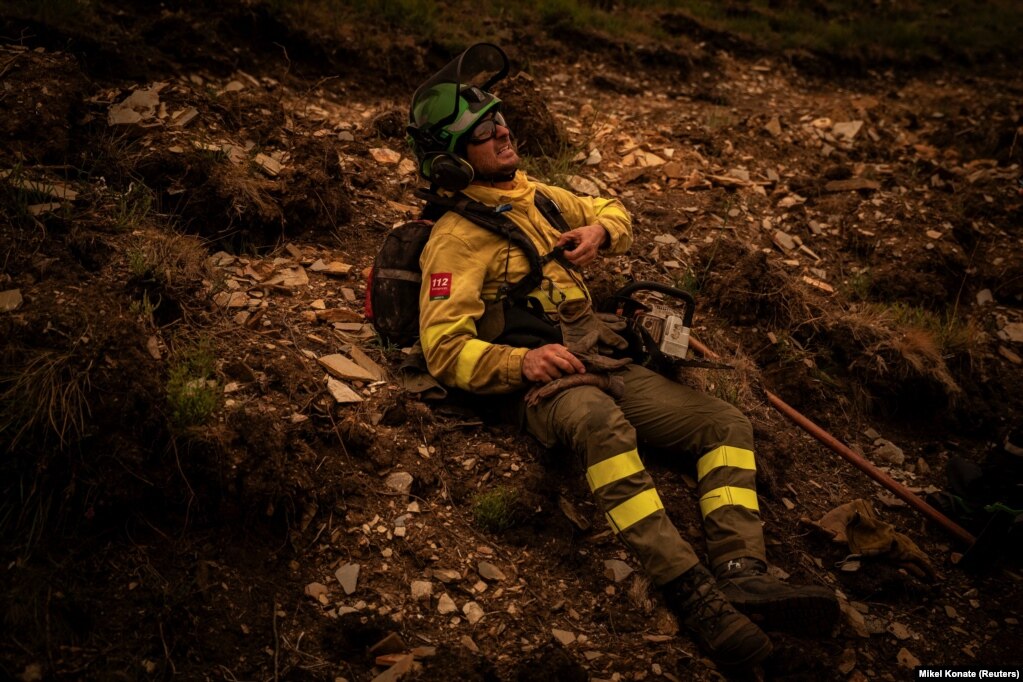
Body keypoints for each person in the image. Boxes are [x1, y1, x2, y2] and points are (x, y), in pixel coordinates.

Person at [405, 44, 838, 669]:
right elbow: (443, 349)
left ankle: (745, 571)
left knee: (724, 424)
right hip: (546, 386)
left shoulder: (542, 197)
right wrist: (521, 364)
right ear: (451, 160)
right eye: (482, 130)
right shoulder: (455, 239)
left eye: (499, 118)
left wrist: (602, 231)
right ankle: (691, 592)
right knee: (603, 426)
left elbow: (614, 207)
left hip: (604, 360)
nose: (502, 130)